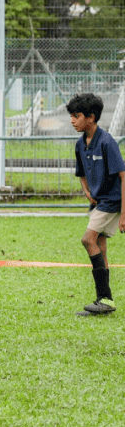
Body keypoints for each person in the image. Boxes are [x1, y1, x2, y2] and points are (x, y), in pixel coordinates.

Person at [68, 93, 125, 316]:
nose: (72, 120)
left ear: (91, 118)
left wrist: (124, 215)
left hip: (112, 201)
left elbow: (123, 175)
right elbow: (81, 173)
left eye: (77, 116)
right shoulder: (80, 144)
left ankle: (104, 297)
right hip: (99, 202)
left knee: (87, 239)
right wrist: (86, 190)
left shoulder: (107, 142)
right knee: (99, 245)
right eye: (71, 116)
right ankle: (106, 301)